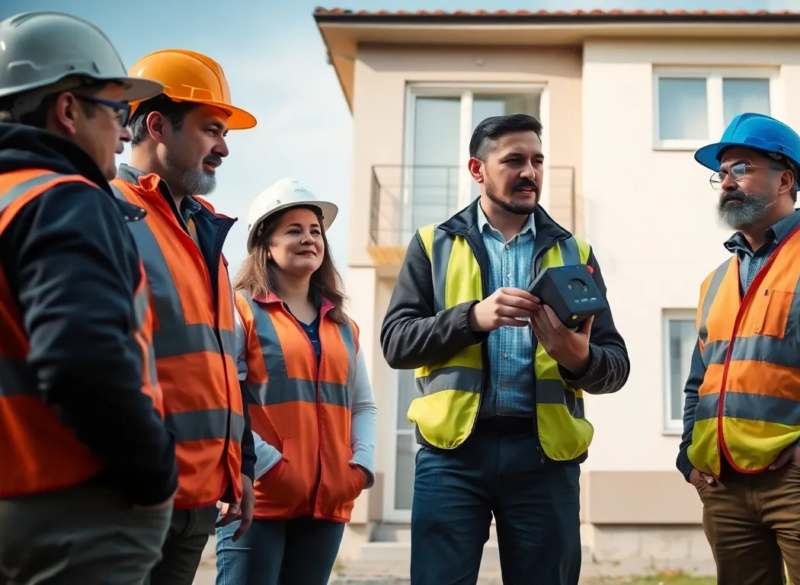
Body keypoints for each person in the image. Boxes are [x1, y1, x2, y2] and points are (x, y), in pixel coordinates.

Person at [380, 113, 629, 585]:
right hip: (451, 457)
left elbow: (615, 365)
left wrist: (576, 358)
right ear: (477, 169)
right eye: (514, 160)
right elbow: (396, 342)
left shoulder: (576, 253)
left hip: (545, 459)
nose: (530, 172)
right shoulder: (432, 244)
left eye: (537, 160)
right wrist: (472, 319)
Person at [0, 11, 178, 583]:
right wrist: (155, 474)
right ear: (68, 109)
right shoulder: (63, 198)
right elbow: (82, 361)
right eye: (117, 112)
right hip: (73, 509)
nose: (125, 133)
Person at [676, 112, 800, 585]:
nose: (726, 182)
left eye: (741, 169)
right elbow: (699, 381)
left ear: (784, 180)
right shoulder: (715, 281)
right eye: (722, 173)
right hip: (721, 484)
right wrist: (688, 456)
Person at [110, 48, 258, 585]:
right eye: (211, 130)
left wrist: (239, 468)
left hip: (198, 499)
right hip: (132, 496)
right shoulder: (108, 212)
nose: (223, 148)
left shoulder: (204, 231)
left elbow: (223, 367)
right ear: (156, 127)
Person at [215, 178, 377, 583]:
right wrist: (270, 467)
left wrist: (359, 467)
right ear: (265, 243)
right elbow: (223, 398)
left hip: (329, 503)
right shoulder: (239, 310)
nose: (309, 239)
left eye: (315, 231)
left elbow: (363, 405)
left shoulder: (344, 326)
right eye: (294, 230)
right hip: (260, 498)